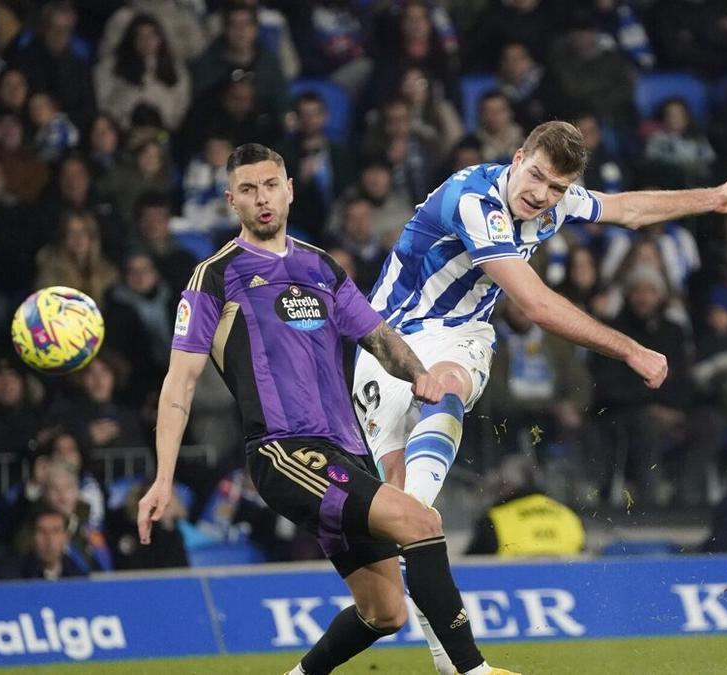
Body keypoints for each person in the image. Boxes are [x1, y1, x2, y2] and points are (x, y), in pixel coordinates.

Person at [353, 120, 727, 672]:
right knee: (405, 520)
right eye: (537, 177)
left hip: (459, 338)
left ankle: (461, 668)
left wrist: (711, 198)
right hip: (383, 341)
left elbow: (627, 209)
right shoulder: (473, 199)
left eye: (556, 188)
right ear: (518, 157)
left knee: (422, 484)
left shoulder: (556, 202)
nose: (541, 196)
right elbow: (538, 306)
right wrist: (631, 350)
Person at [135, 143, 518, 675]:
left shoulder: (321, 267)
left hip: (347, 452)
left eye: (270, 185)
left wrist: (420, 375)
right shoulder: (214, 278)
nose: (262, 199)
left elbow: (379, 338)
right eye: (248, 190)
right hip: (286, 451)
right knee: (419, 519)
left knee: (384, 612)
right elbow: (179, 386)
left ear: (289, 189)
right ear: (231, 201)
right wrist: (162, 480)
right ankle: (470, 671)